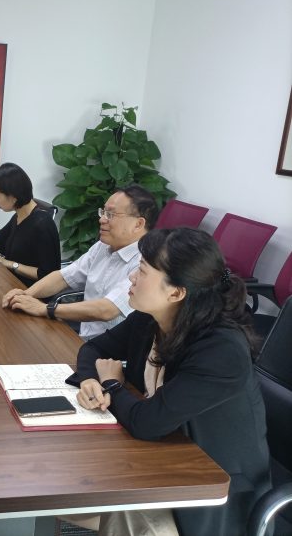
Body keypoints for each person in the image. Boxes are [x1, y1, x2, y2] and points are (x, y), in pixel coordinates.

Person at [73, 228, 270, 535]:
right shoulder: (152, 317)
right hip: (161, 457)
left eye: (142, 271)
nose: (131, 278)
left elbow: (146, 422)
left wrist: (111, 383)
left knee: (95, 498)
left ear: (176, 293)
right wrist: (90, 380)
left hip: (210, 489)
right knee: (69, 480)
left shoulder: (221, 349)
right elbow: (93, 349)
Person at [2, 184, 158, 339]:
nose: (102, 219)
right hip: (84, 338)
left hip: (112, 349)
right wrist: (25, 295)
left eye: (110, 214)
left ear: (138, 224)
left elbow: (107, 310)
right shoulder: (103, 246)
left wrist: (46, 309)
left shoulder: (146, 262)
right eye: (103, 212)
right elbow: (63, 277)